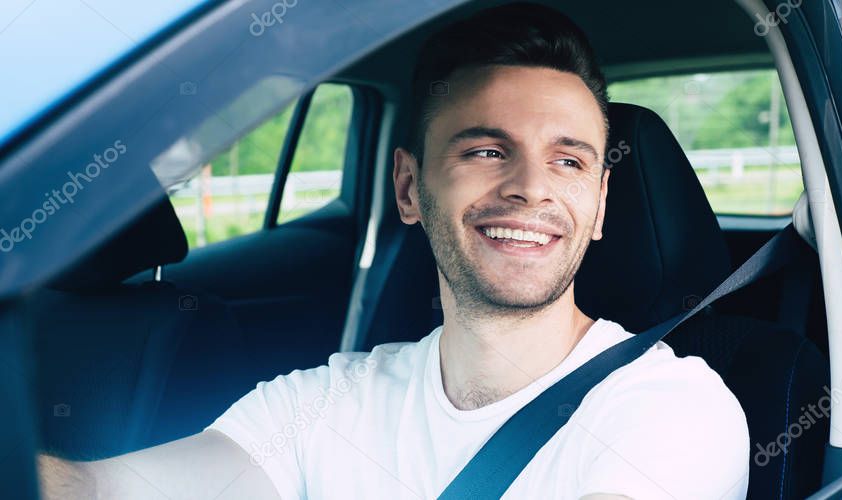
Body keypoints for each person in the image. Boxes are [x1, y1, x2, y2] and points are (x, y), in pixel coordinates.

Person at [37, 3, 748, 499]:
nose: (531, 188)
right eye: (486, 149)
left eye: (569, 162)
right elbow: (102, 491)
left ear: (598, 204)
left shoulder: (670, 409)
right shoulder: (327, 403)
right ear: (409, 186)